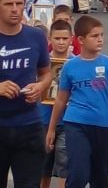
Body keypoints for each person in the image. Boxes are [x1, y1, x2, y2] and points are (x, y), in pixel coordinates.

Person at [46, 15, 108, 187]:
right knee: (78, 174)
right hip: (76, 123)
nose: (100, 40)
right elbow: (61, 99)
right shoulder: (70, 66)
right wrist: (52, 128)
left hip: (103, 125)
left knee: (100, 176)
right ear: (80, 40)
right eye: (94, 36)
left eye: (102, 35)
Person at [0, 0, 51, 187]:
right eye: (8, 4)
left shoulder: (36, 36)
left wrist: (40, 87)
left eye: (19, 3)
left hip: (29, 125)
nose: (15, 9)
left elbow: (47, 74)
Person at [40, 20, 74, 188]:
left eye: (64, 38)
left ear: (71, 39)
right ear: (49, 39)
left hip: (68, 122)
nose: (61, 42)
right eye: (57, 38)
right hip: (43, 120)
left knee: (65, 167)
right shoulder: (41, 62)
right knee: (42, 167)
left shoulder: (76, 63)